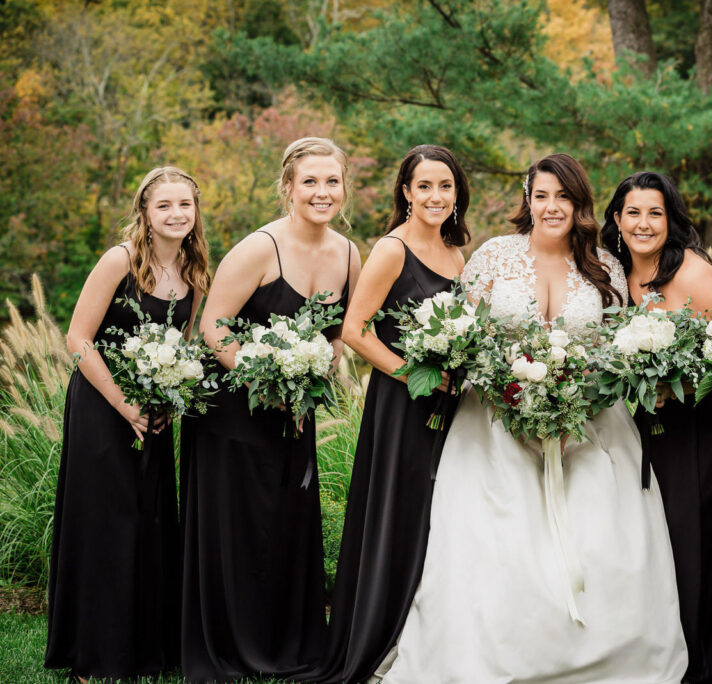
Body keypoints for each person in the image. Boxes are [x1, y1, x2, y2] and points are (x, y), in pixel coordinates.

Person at [378, 154, 687, 683]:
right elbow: (465, 335)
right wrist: (500, 384)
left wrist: (578, 395)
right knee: (497, 547)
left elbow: (616, 344)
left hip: (589, 422)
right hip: (494, 422)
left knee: (605, 542)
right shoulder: (494, 256)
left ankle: (608, 656)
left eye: (563, 197)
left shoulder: (605, 265)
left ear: (580, 203)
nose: (552, 207)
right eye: (541, 195)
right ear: (527, 200)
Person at [180, 137, 359, 682]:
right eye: (310, 181)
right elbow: (212, 327)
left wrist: (321, 368)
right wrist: (265, 377)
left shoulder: (349, 253)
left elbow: (340, 334)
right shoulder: (260, 249)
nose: (322, 192)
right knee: (239, 533)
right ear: (287, 187)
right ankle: (231, 649)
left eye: (332, 181)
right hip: (231, 417)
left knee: (285, 530)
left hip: (294, 418)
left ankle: (288, 646)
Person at [309, 144, 469, 684]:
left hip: (448, 404)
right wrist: (409, 374)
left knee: (436, 517)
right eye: (424, 186)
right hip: (402, 405)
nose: (435, 196)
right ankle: (379, 636)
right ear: (406, 192)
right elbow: (354, 331)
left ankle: (425, 633)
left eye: (444, 186)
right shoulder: (391, 250)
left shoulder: (456, 254)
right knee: (397, 515)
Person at [45, 166, 209, 682]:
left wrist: (170, 389)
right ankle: (91, 657)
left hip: (153, 409)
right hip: (102, 404)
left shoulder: (196, 269)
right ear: (144, 212)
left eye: (185, 204)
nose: (176, 214)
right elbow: (77, 338)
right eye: (164, 206)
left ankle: (144, 650)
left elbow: (187, 343)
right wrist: (122, 404)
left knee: (149, 519)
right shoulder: (121, 260)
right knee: (105, 524)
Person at [602, 171, 712, 683]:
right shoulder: (613, 277)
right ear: (617, 219)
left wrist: (678, 381)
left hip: (699, 433)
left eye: (655, 213)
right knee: (649, 545)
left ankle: (700, 664)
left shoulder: (694, 273)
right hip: (638, 432)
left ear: (671, 219)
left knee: (688, 543)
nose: (643, 223)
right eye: (633, 212)